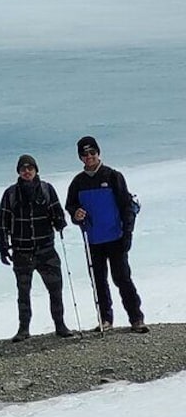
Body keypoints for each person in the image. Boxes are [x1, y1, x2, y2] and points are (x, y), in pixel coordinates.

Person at [65, 136, 148, 333]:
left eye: (92, 152)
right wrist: (76, 214)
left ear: (98, 153)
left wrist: (127, 234)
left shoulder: (113, 176)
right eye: (85, 154)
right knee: (99, 281)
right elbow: (71, 206)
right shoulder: (78, 182)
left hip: (116, 237)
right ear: (80, 157)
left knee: (122, 278)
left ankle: (136, 318)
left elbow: (127, 207)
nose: (89, 157)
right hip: (93, 240)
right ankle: (106, 320)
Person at [0, 155, 74, 342]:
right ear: (18, 172)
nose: (27, 171)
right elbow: (2, 222)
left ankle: (60, 325)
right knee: (23, 293)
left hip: (46, 249)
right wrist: (3, 246)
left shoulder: (47, 190)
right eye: (23, 169)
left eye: (30, 168)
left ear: (36, 170)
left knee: (55, 290)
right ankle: (23, 329)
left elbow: (59, 215)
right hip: (21, 251)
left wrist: (60, 222)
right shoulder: (11, 194)